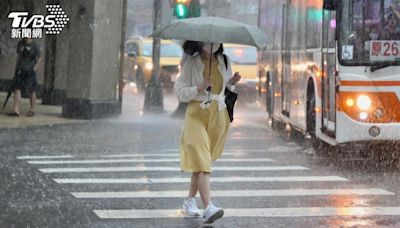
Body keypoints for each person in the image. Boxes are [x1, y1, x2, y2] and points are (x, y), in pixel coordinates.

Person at [174, 41, 241, 224]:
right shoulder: (191, 63)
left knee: (201, 162)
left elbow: (226, 89)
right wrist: (199, 87)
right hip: (196, 116)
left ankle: (189, 201)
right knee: (203, 162)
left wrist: (232, 82)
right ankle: (209, 207)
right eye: (207, 42)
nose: (212, 44)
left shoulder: (224, 61)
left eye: (215, 42)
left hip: (218, 117)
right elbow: (179, 91)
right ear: (199, 43)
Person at [7, 37, 41, 117]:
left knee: (32, 89)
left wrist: (35, 68)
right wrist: (16, 68)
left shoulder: (35, 44)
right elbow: (19, 56)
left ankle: (32, 109)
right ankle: (16, 110)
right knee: (16, 88)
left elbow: (39, 58)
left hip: (30, 70)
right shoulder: (21, 43)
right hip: (21, 69)